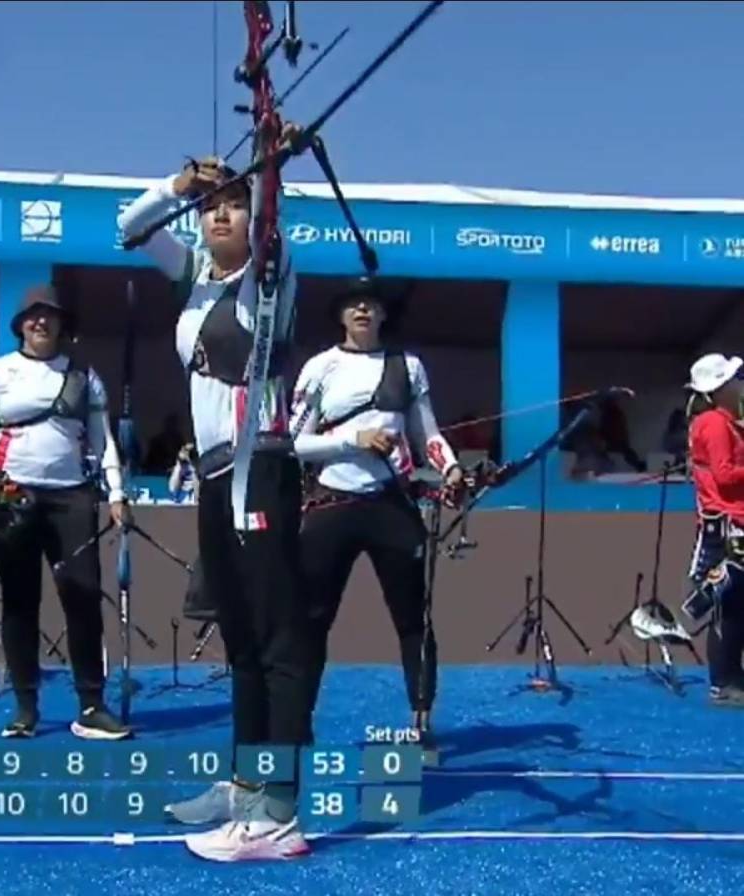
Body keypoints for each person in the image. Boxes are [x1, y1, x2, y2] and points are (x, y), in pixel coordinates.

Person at [118, 148, 312, 862]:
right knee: (238, 639)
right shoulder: (196, 280)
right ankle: (244, 785)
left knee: (275, 638)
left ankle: (282, 813)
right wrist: (178, 183)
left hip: (261, 469)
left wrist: (267, 163)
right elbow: (130, 228)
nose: (220, 213)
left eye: (233, 204)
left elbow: (270, 224)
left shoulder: (271, 275)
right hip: (214, 473)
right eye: (211, 207)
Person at [0, 285, 132, 740]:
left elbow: (102, 437)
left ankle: (91, 706)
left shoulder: (84, 375)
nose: (40, 322)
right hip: (11, 497)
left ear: (61, 323)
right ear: (20, 324)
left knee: (84, 598)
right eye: (32, 315)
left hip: (73, 497)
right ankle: (26, 709)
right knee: (20, 602)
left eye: (49, 315)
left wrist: (117, 492)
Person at [289, 277, 463, 743]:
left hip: (390, 503)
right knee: (311, 619)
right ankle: (297, 721)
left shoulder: (408, 366)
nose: (363, 310)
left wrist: (449, 468)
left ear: (384, 314)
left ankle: (421, 721)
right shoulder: (320, 367)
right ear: (341, 315)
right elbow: (293, 443)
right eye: (353, 304)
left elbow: (428, 434)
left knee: (414, 618)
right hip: (331, 505)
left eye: (371, 304)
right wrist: (353, 439)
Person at [684, 352, 744, 707]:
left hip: (729, 520)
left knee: (737, 603)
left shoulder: (716, 421)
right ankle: (723, 682)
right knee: (730, 604)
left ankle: (731, 675)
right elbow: (724, 474)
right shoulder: (715, 424)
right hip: (727, 524)